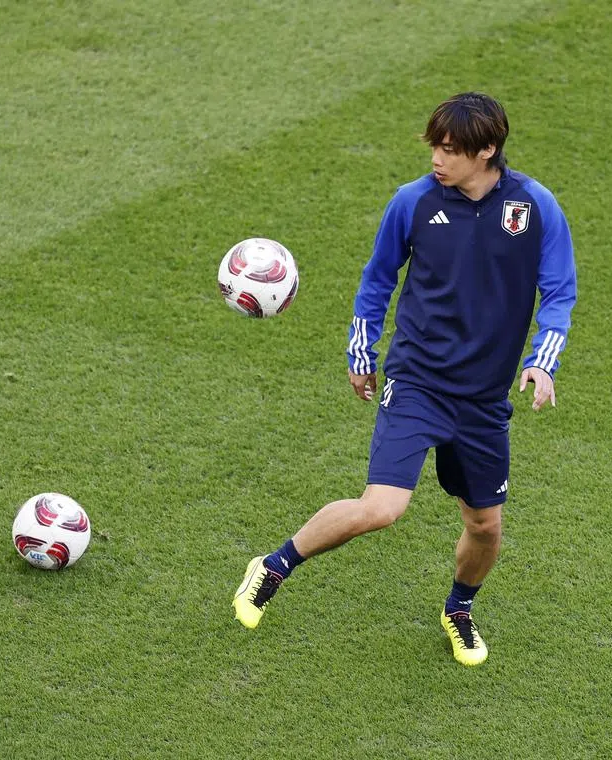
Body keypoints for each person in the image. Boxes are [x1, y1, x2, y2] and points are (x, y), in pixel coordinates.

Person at [232, 92, 577, 666]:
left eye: (450, 149)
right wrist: (361, 351)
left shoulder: (535, 208)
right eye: (435, 147)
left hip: (485, 398)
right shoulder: (412, 203)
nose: (437, 159)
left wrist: (543, 360)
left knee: (485, 525)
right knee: (382, 508)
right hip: (419, 381)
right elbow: (377, 280)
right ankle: (272, 566)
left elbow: (560, 291)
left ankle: (458, 609)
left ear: (487, 149)